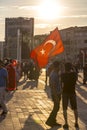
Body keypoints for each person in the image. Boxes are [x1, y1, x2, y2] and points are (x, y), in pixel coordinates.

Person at [61, 62, 79, 129]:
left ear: (65, 68)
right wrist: (73, 68)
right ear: (71, 67)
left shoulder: (63, 75)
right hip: (72, 92)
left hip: (65, 92)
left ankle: (66, 123)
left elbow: (61, 82)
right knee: (75, 108)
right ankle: (76, 122)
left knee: (64, 108)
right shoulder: (74, 74)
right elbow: (76, 77)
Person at [45, 61, 62, 127]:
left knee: (56, 107)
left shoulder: (55, 73)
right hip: (56, 94)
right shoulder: (54, 74)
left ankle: (53, 121)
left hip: (57, 93)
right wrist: (56, 96)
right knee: (56, 107)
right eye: (59, 66)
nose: (60, 68)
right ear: (57, 66)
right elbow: (53, 86)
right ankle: (49, 121)